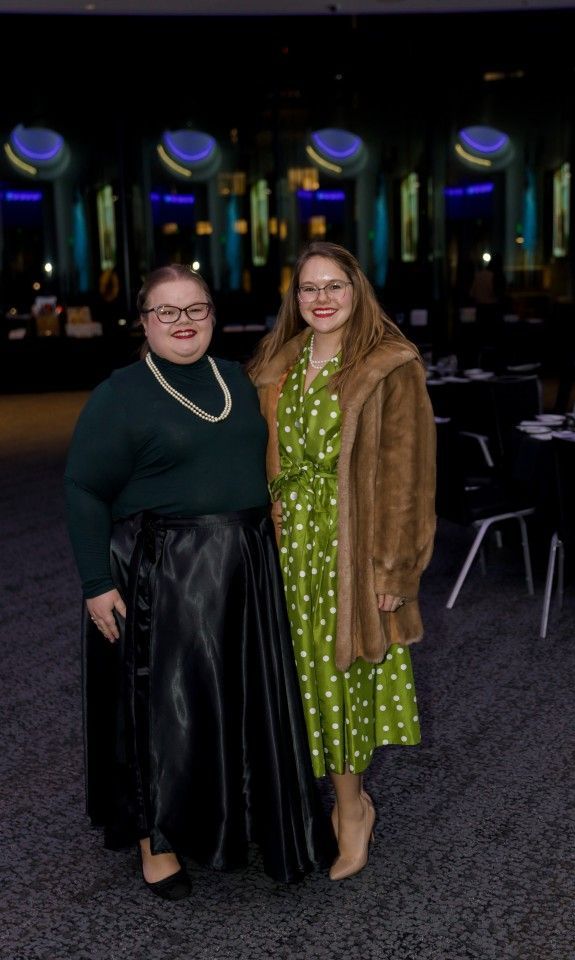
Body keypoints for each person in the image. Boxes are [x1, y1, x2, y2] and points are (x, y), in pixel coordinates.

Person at [64, 263, 333, 901]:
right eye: (167, 311)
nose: (183, 322)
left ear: (213, 314)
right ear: (144, 320)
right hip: (165, 571)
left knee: (235, 705)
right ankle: (156, 845)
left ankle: (233, 820)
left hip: (244, 565)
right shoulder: (120, 394)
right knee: (162, 714)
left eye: (196, 309)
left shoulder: (238, 379)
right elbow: (82, 488)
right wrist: (97, 582)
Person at [247, 242, 437, 881]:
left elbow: (408, 478)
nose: (320, 299)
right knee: (298, 686)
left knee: (340, 683)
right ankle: (323, 801)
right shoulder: (279, 362)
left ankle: (352, 809)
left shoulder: (389, 364)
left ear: (358, 292)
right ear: (294, 298)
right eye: (308, 289)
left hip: (351, 550)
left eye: (334, 286)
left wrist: (395, 572)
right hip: (287, 549)